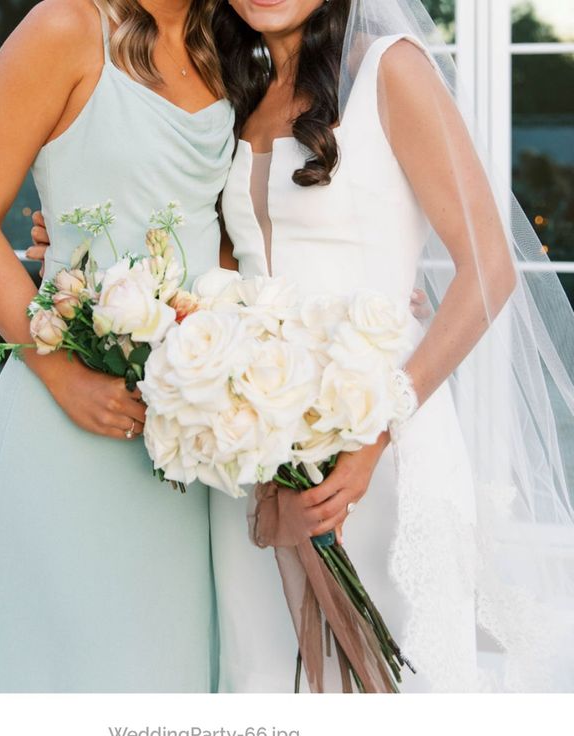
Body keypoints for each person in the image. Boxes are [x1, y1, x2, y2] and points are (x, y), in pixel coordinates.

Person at [29, 0, 574, 693]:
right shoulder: (239, 94)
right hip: (248, 435)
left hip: (375, 427)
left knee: (383, 672)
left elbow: (490, 270)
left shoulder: (390, 71)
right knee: (260, 666)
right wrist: (79, 244)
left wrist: (377, 430)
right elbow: (215, 263)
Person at [0, 0, 234, 692]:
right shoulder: (64, 27)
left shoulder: (231, 41)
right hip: (67, 427)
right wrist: (61, 375)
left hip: (184, 438)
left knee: (174, 672)